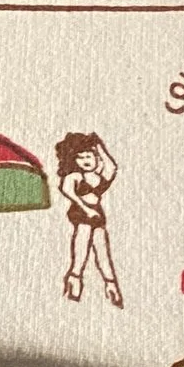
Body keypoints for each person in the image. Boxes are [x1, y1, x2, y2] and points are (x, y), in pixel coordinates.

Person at [56, 131, 120, 308]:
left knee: (101, 249)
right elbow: (68, 192)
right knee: (83, 241)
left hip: (97, 213)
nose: (86, 160)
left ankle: (110, 282)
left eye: (89, 156)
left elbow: (112, 168)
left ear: (96, 157)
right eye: (81, 157)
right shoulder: (75, 176)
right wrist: (86, 209)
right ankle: (75, 277)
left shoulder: (98, 176)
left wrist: (98, 144)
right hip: (81, 212)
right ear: (73, 160)